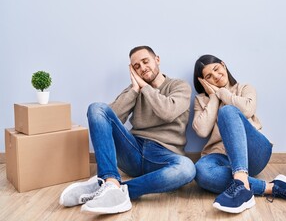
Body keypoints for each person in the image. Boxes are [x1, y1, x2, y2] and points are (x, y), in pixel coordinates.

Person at [59, 46, 196, 214]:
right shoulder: (134, 89)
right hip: (133, 150)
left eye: (145, 61)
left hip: (164, 156)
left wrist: (145, 87)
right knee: (96, 108)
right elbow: (107, 119)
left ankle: (113, 189)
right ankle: (110, 180)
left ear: (157, 60)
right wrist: (134, 91)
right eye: (136, 66)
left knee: (187, 169)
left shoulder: (179, 86)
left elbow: (167, 112)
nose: (142, 68)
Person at [192, 54, 286, 214]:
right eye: (209, 76)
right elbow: (202, 130)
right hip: (220, 157)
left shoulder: (244, 88)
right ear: (204, 82)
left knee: (227, 112)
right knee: (200, 172)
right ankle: (269, 187)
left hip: (253, 152)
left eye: (216, 69)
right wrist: (213, 96)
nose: (216, 76)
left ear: (223, 65)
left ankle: (241, 183)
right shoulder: (201, 100)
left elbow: (248, 109)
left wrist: (222, 93)